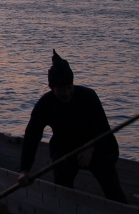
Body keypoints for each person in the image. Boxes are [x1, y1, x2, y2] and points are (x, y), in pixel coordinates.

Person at [18, 50, 128, 204]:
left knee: (112, 186)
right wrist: (24, 170)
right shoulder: (45, 104)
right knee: (62, 176)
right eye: (61, 89)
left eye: (69, 87)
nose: (67, 93)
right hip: (66, 150)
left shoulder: (88, 97)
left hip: (97, 147)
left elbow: (103, 130)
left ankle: (119, 205)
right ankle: (65, 205)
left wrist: (90, 147)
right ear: (52, 88)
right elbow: (32, 136)